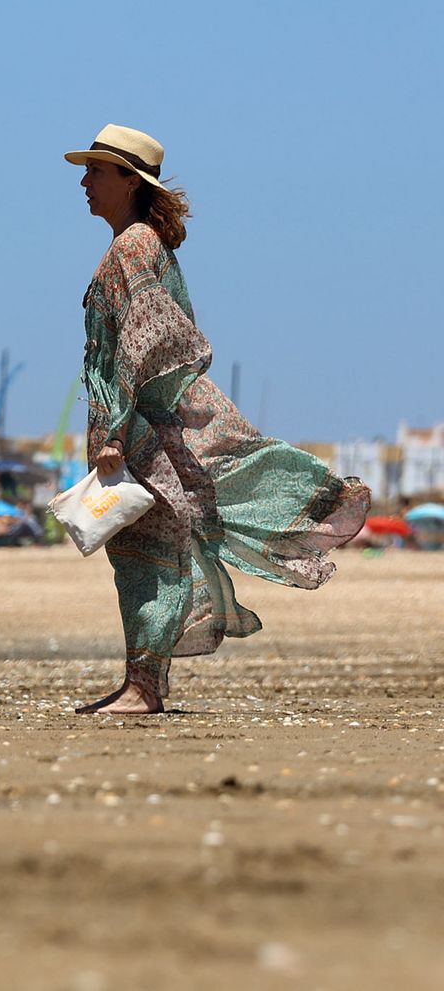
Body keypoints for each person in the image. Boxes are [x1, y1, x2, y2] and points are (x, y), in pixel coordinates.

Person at [67, 124, 370, 714]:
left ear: (130, 182)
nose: (84, 181)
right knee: (143, 551)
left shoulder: (134, 245)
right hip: (141, 426)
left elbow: (142, 346)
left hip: (140, 429)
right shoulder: (137, 243)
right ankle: (141, 682)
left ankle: (143, 687)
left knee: (149, 553)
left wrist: (114, 432)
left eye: (96, 171)